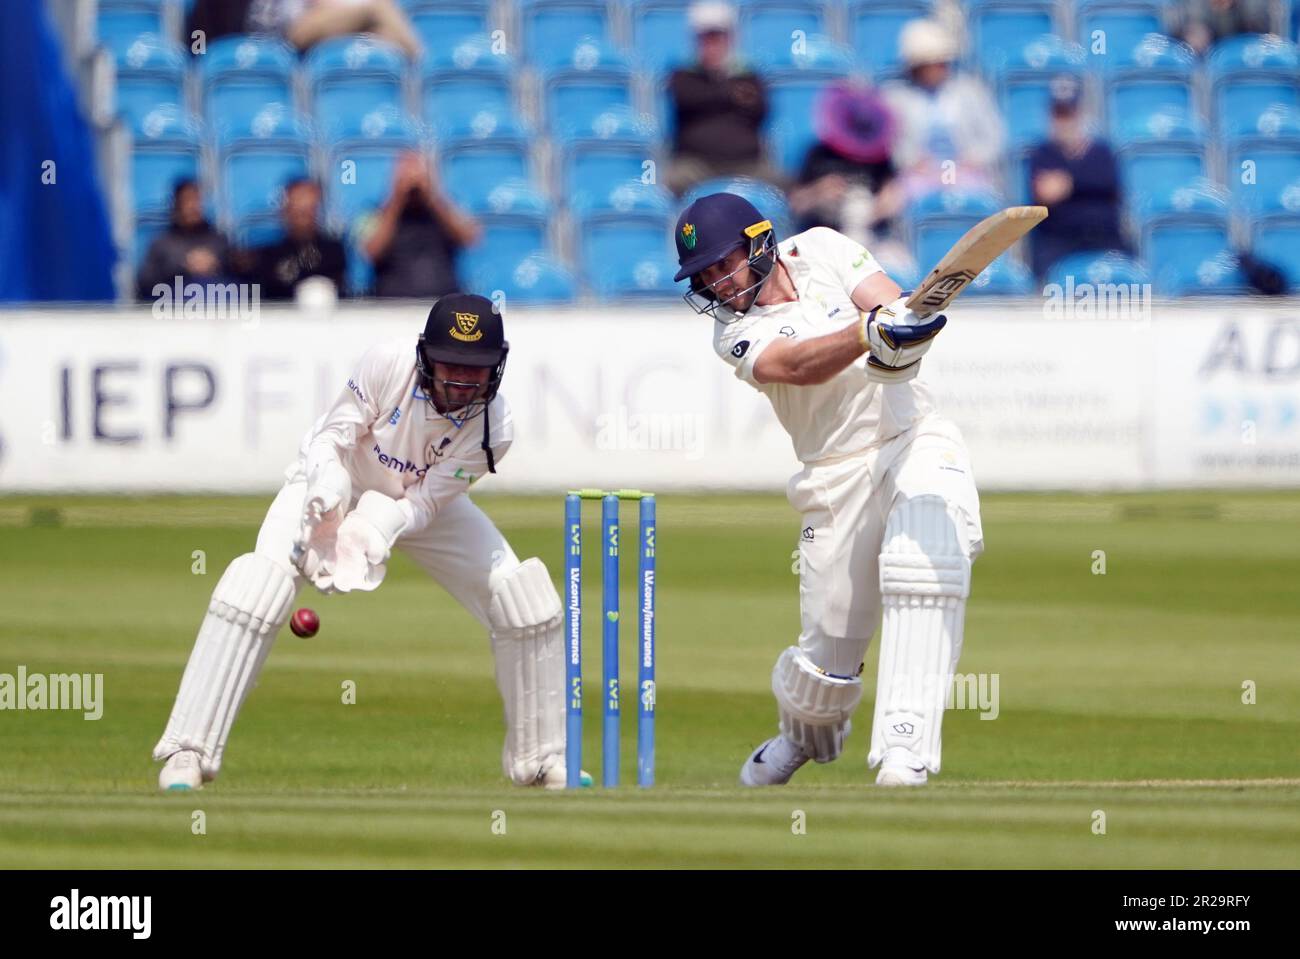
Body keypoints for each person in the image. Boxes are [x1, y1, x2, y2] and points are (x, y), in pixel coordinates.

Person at [153, 294, 587, 791]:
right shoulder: (388, 363)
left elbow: (425, 504)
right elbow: (329, 438)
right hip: (334, 479)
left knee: (524, 600)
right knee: (257, 585)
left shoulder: (495, 427)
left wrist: (375, 528)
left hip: (411, 504)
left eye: (478, 370)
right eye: (452, 366)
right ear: (427, 357)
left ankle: (542, 759)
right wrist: (327, 489)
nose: (464, 381)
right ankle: (187, 750)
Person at [672, 193, 981, 788]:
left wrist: (899, 328)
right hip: (834, 473)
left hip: (912, 433)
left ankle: (904, 750)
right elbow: (797, 366)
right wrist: (867, 335)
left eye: (724, 263)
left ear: (759, 242)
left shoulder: (821, 247)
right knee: (827, 666)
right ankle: (801, 735)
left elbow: (887, 299)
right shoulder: (733, 333)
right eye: (705, 276)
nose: (718, 282)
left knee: (926, 562)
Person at [881, 19, 1004, 199]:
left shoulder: (970, 90)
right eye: (930, 64)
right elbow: (894, 142)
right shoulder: (897, 96)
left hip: (967, 172)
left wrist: (973, 159)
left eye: (941, 62)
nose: (938, 68)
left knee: (980, 198)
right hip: (918, 175)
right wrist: (913, 161)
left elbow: (993, 136)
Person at [665, 2, 777, 195]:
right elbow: (687, 99)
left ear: (729, 39)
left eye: (717, 37)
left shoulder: (750, 75)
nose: (712, 45)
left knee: (781, 184)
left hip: (747, 165)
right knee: (670, 182)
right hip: (695, 166)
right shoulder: (682, 75)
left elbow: (761, 110)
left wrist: (714, 93)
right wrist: (730, 94)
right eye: (706, 38)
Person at [1026, 75, 1128, 279]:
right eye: (1059, 114)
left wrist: (1069, 183)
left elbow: (1110, 184)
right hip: (1057, 241)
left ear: (1080, 114)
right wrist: (1087, 184)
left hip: (1103, 238)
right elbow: (1045, 193)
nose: (1064, 122)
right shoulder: (1042, 153)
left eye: (1069, 114)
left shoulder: (1102, 152)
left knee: (1126, 274)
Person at [789, 81, 905, 242]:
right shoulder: (819, 154)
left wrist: (874, 210)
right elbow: (795, 204)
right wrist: (818, 192)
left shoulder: (881, 156)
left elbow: (892, 197)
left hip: (871, 235)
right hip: (824, 235)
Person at [360, 151, 480, 299]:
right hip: (392, 303)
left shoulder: (446, 208)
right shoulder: (376, 211)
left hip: (442, 300)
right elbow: (371, 252)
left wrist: (433, 197)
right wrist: (397, 199)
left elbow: (469, 238)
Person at [242, 178, 347, 300]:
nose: (303, 214)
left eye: (309, 208)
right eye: (298, 206)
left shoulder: (333, 250)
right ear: (285, 208)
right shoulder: (267, 251)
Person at [136, 179, 233, 300]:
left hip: (219, 308)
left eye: (197, 200)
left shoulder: (218, 240)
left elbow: (237, 272)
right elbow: (145, 283)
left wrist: (215, 265)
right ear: (177, 204)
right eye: (188, 200)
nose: (193, 206)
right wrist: (183, 268)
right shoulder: (161, 243)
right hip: (176, 309)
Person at [247, 0, 423, 59]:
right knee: (377, 8)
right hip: (280, 40)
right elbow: (297, 35)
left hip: (314, 39)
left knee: (379, 14)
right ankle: (420, 61)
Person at [1167, 0, 1274, 56]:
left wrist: (1233, 6)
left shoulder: (1254, 4)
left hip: (1245, 54)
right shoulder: (1193, 5)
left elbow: (1261, 28)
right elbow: (1177, 26)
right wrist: (1192, 31)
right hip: (1203, 59)